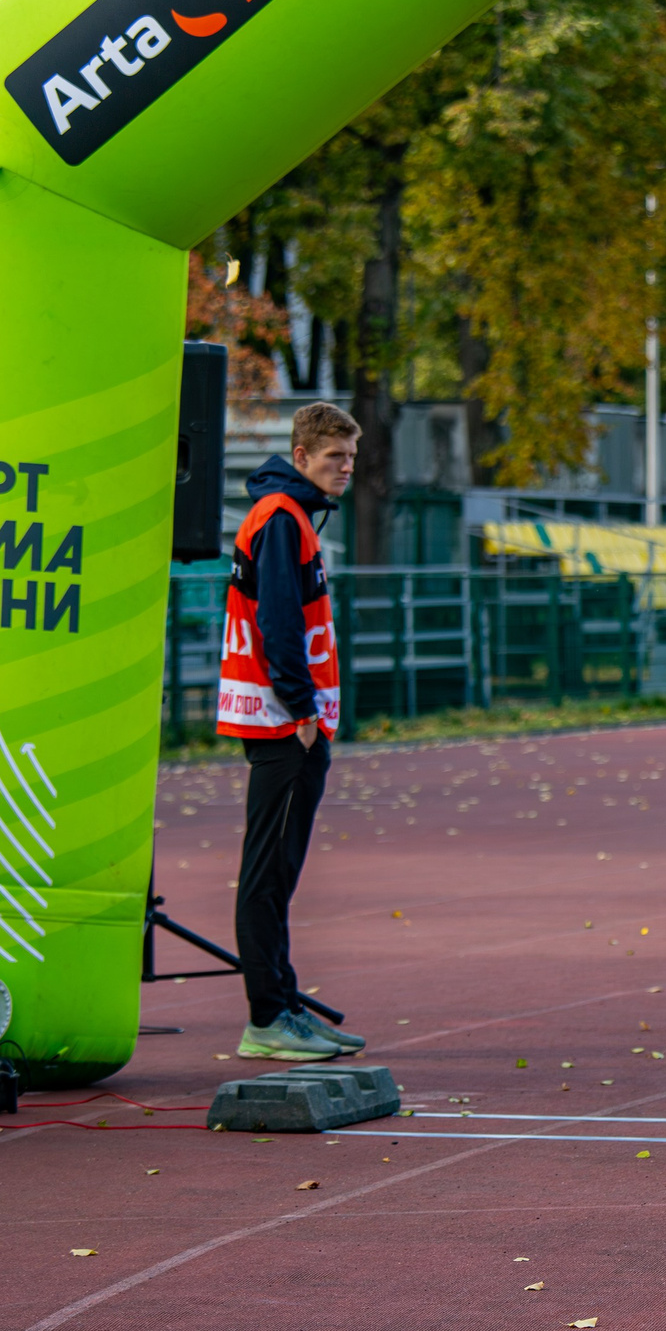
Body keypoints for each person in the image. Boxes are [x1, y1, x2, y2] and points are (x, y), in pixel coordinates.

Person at [218, 402, 365, 1060]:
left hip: (292, 722)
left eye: (352, 458)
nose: (346, 468)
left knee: (277, 873)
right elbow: (279, 623)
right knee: (267, 875)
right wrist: (303, 711)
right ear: (301, 456)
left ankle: (284, 1006)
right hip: (284, 724)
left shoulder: (293, 517)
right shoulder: (281, 519)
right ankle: (268, 1018)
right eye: (335, 457)